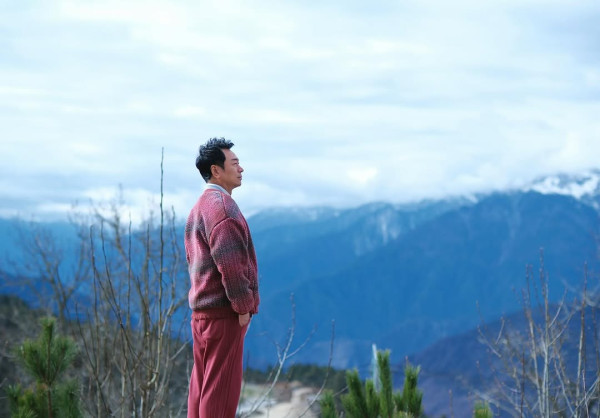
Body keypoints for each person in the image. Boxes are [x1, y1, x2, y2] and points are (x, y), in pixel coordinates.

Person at [185, 137, 260, 418]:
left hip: (202, 315)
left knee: (202, 387)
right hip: (223, 315)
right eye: (235, 163)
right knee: (221, 393)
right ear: (216, 170)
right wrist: (243, 308)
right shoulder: (224, 209)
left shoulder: (199, 207)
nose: (241, 169)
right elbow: (230, 265)